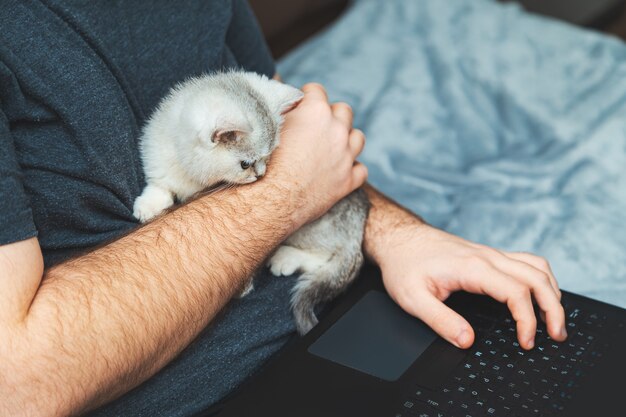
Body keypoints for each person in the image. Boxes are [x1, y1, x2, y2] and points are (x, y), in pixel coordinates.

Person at [0, 1, 566, 416]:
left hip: (344, 316)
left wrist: (398, 234)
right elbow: (17, 385)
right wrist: (282, 196)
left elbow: (295, 148)